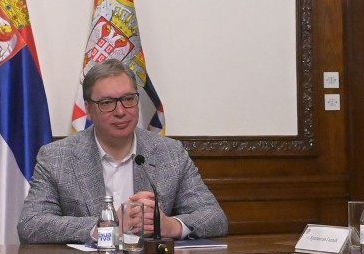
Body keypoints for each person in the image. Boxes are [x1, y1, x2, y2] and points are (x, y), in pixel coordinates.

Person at [19, 59, 227, 244]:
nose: (120, 111)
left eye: (128, 99)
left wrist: (171, 226)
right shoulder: (57, 157)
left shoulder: (170, 153)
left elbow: (214, 217)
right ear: (89, 110)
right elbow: (31, 224)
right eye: (107, 103)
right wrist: (106, 225)